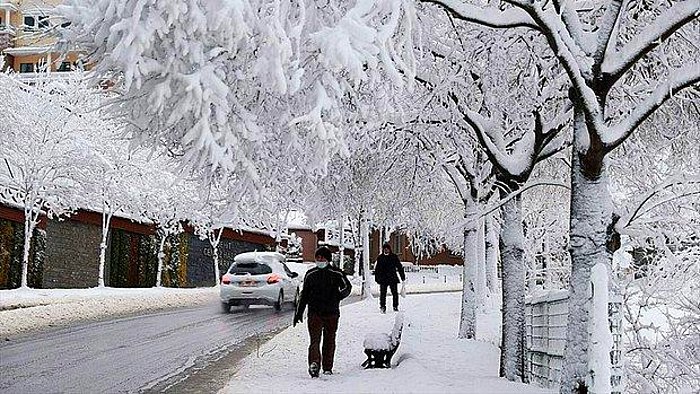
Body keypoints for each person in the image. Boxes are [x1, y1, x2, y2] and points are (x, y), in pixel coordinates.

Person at [294, 246, 352, 378]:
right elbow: (304, 295)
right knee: (314, 340)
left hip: (331, 313)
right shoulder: (310, 274)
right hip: (314, 313)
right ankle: (314, 364)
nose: (320, 260)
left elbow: (347, 287)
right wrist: (299, 312)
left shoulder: (336, 273)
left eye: (322, 258)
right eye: (317, 258)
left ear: (328, 259)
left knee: (329, 339)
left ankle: (327, 366)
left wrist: (338, 296)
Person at [374, 242, 406, 313]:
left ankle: (395, 306)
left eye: (387, 249)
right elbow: (377, 269)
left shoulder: (394, 257)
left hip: (392, 278)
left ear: (389, 249)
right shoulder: (380, 257)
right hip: (383, 279)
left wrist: (402, 277)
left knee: (395, 294)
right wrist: (377, 278)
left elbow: (399, 267)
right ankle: (382, 307)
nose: (386, 250)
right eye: (385, 249)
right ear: (383, 250)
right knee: (382, 294)